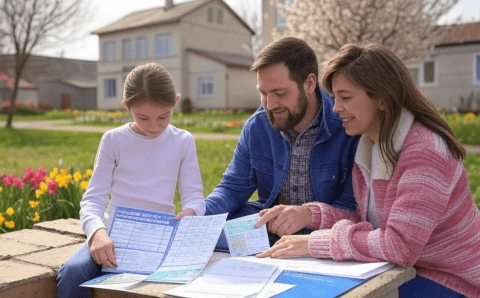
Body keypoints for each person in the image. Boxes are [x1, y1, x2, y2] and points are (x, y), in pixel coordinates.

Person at [257, 43, 480, 297]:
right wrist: (308, 215)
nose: (335, 107)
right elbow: (370, 226)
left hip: (449, 280)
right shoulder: (371, 146)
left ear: (382, 98)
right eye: (335, 97)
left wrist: (314, 243)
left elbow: (399, 246)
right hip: (400, 270)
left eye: (346, 97)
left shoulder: (424, 152)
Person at [56, 62, 206, 298]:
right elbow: (93, 200)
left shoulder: (182, 141)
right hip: (115, 237)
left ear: (175, 101)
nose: (154, 126)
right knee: (73, 272)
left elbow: (194, 196)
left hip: (162, 237)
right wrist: (97, 233)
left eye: (163, 116)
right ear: (127, 106)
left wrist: (192, 212)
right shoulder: (114, 141)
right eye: (143, 117)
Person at [205, 37, 359, 249]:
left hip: (322, 242)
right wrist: (196, 214)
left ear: (309, 83)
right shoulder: (257, 126)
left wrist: (307, 216)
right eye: (263, 93)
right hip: (267, 238)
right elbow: (232, 188)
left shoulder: (347, 126)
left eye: (279, 93)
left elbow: (353, 208)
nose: (269, 104)